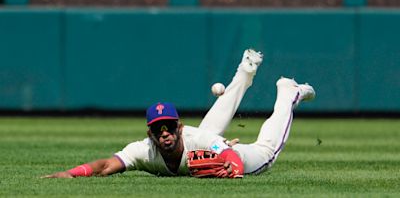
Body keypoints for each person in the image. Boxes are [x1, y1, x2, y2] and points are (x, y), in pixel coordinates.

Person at [42, 49, 315, 178]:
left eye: (169, 127)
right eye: (158, 128)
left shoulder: (195, 137)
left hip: (234, 154)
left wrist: (230, 165)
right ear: (150, 133)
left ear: (178, 127)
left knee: (267, 152)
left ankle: (288, 91)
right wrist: (73, 173)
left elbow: (232, 159)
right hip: (205, 142)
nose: (165, 133)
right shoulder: (144, 151)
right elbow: (106, 165)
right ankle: (244, 73)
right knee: (209, 131)